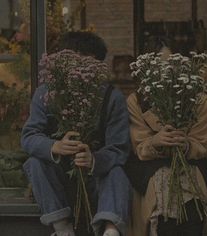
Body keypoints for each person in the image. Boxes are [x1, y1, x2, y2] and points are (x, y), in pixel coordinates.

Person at [21, 31, 131, 236]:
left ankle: (110, 228)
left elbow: (120, 148)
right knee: (34, 163)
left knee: (117, 172)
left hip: (95, 177)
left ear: (98, 65)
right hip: (58, 178)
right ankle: (62, 228)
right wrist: (54, 146)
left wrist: (94, 159)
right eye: (73, 59)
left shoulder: (112, 97)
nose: (80, 67)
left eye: (87, 60)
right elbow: (28, 137)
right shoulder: (46, 93)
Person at [125, 48, 207, 236]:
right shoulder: (137, 101)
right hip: (151, 166)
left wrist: (185, 144)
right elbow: (139, 145)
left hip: (191, 163)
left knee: (193, 207)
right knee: (163, 211)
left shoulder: (198, 100)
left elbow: (201, 143)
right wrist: (156, 141)